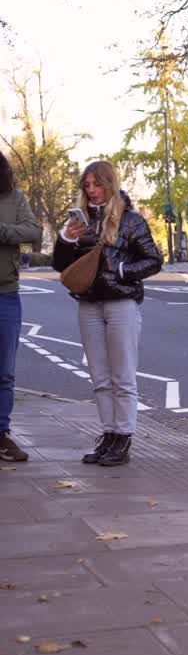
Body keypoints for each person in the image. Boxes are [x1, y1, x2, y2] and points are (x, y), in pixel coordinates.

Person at [50, 160, 162, 467]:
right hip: (88, 304)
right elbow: (60, 265)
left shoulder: (131, 220)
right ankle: (109, 434)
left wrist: (122, 269)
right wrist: (67, 238)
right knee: (99, 377)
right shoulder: (81, 221)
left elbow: (153, 259)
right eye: (87, 186)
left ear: (109, 184)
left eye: (97, 185)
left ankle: (124, 436)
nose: (92, 191)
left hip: (120, 303)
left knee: (122, 376)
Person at [0, 152, 42, 462]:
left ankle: (1, 435)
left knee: (5, 373)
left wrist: (2, 232)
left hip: (6, 294)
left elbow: (33, 232)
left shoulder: (15, 198)